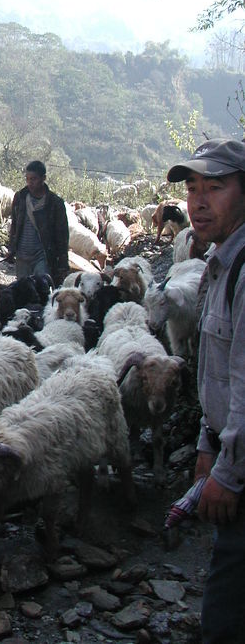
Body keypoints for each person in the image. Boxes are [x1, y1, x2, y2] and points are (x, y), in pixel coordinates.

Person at [167, 138, 245, 644]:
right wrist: (205, 441)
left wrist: (229, 473)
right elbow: (215, 369)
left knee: (224, 621)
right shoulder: (218, 264)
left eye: (214, 188)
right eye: (192, 188)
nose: (197, 201)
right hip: (228, 456)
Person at [7, 160, 69, 285]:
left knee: (42, 288)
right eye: (28, 179)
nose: (30, 182)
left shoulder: (54, 203)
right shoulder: (20, 197)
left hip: (43, 255)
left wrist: (62, 263)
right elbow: (15, 225)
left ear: (43, 178)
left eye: (34, 179)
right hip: (22, 254)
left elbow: (62, 235)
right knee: (23, 290)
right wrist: (11, 248)